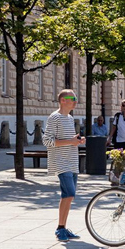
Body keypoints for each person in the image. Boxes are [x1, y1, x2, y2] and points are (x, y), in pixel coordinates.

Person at [43, 89, 84, 241]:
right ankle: (60, 229)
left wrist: (77, 140)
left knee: (69, 196)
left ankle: (63, 228)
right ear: (63, 100)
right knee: (69, 193)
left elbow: (68, 139)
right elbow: (47, 141)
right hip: (61, 162)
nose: (75, 101)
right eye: (72, 98)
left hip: (72, 161)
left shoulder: (69, 118)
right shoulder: (55, 117)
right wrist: (71, 142)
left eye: (75, 97)